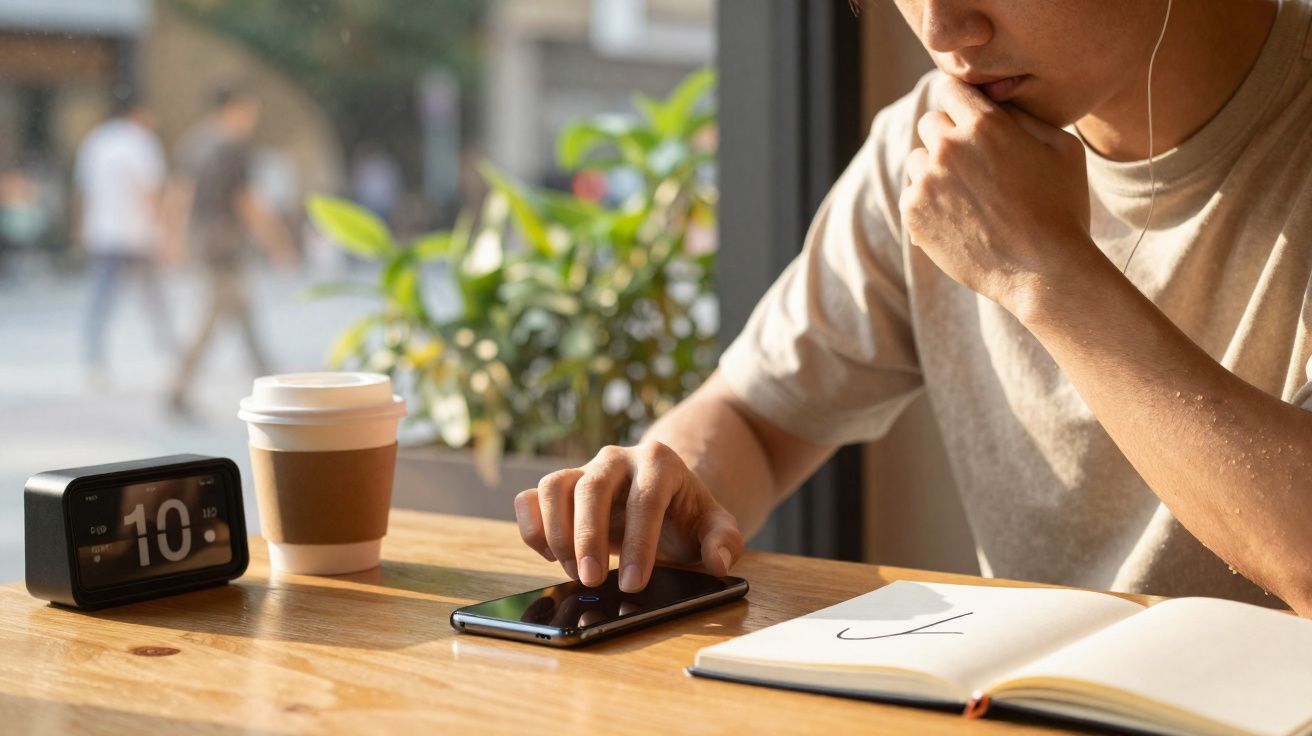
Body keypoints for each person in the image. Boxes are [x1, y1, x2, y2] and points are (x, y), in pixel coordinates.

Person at [515, 0, 1312, 617]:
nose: (941, 28)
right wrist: (674, 489)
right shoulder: (938, 148)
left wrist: (1044, 272)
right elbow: (757, 419)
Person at [164, 85, 297, 416]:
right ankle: (179, 388)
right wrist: (278, 241)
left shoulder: (196, 142)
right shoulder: (232, 148)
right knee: (216, 316)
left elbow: (179, 193)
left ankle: (270, 381)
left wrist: (174, 238)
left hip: (204, 242)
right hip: (225, 245)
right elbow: (247, 201)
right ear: (236, 109)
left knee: (240, 312)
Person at [73, 96, 174, 386]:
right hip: (137, 233)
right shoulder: (141, 143)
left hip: (103, 233)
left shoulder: (96, 141)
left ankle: (94, 360)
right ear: (139, 113)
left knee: (101, 300)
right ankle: (168, 355)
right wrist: (164, 232)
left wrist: (80, 227)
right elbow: (151, 192)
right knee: (154, 300)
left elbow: (82, 191)